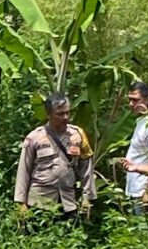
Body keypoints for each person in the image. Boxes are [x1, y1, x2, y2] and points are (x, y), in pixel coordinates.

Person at [14, 92, 96, 222]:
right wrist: (21, 202)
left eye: (67, 113)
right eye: (60, 114)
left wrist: (87, 197)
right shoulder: (34, 137)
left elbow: (86, 168)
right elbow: (24, 170)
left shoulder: (77, 135)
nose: (65, 117)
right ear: (48, 114)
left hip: (69, 202)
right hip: (39, 202)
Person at [122, 81, 148, 213]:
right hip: (135, 188)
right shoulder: (141, 121)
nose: (131, 104)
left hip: (144, 190)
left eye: (135, 100)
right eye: (129, 100)